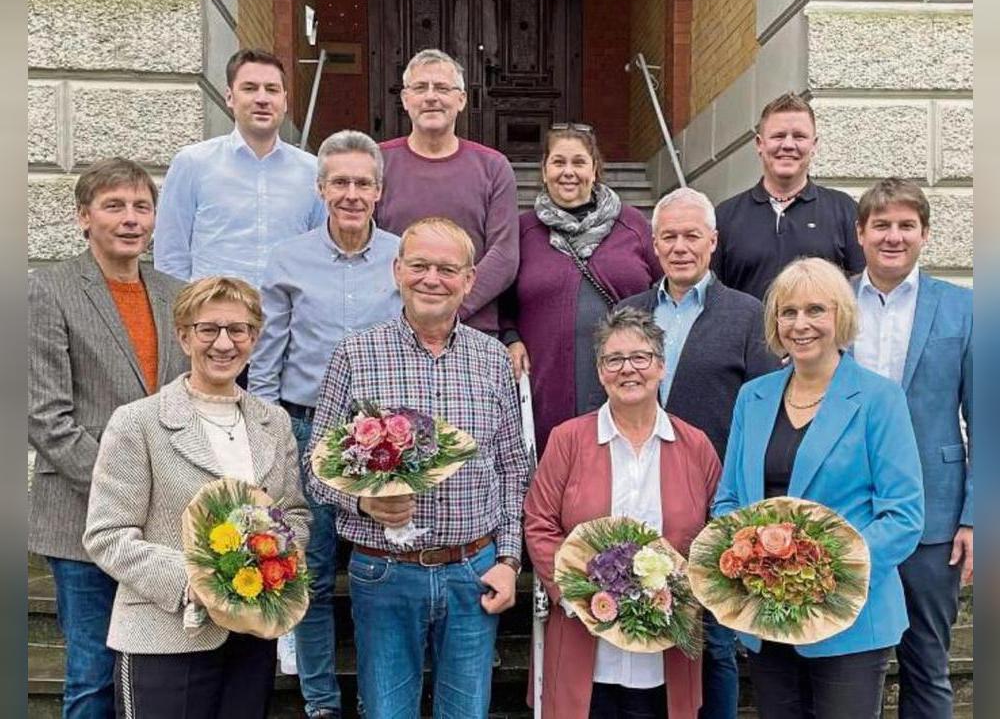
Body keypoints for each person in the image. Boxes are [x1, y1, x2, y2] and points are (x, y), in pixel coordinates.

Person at [304, 217, 532, 717]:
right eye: (420, 265)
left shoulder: (493, 358)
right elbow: (314, 465)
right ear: (397, 270)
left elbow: (515, 467)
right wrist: (362, 500)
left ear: (470, 280)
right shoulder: (356, 355)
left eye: (448, 269)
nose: (432, 279)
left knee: (466, 712)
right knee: (387, 712)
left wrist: (510, 560)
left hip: (474, 570)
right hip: (384, 571)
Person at [82, 276, 311, 719]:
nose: (223, 343)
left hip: (250, 636)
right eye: (209, 329)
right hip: (164, 634)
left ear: (254, 338)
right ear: (184, 336)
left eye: (238, 329)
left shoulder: (274, 422)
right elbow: (107, 535)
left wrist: (274, 565)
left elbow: (295, 516)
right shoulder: (138, 423)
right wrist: (199, 583)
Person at [713, 257, 924, 719]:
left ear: (840, 317)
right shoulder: (754, 397)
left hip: (849, 616)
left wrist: (826, 571)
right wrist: (753, 563)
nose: (800, 324)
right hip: (766, 613)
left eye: (815, 311)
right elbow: (728, 500)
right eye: (788, 313)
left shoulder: (879, 398)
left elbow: (904, 515)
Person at [248, 129, 401, 719]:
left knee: (373, 568)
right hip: (306, 428)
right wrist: (270, 436)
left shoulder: (399, 256)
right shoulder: (289, 259)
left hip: (383, 440)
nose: (352, 193)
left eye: (363, 182)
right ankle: (320, 702)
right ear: (321, 189)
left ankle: (376, 696)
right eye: (340, 182)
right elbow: (267, 360)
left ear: (380, 190)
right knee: (308, 572)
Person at [28, 157, 188, 719]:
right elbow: (46, 416)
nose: (130, 219)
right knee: (92, 680)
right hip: (81, 519)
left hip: (163, 527)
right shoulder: (47, 290)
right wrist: (125, 489)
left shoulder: (175, 294)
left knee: (151, 680)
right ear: (83, 217)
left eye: (141, 207)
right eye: (114, 206)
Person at [617, 186, 780, 719]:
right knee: (643, 625)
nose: (680, 246)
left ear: (713, 242)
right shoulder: (629, 312)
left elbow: (764, 409)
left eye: (692, 235)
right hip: (636, 491)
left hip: (712, 500)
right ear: (653, 244)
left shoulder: (747, 314)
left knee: (712, 639)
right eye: (669, 236)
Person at [523, 308, 721, 718]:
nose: (628, 369)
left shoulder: (696, 445)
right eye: (614, 359)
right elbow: (539, 523)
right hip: (584, 643)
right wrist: (576, 596)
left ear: (661, 366)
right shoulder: (568, 440)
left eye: (641, 357)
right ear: (600, 371)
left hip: (667, 650)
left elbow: (714, 534)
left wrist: (685, 592)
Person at [851, 178, 972, 719]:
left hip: (934, 516)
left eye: (905, 226)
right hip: (848, 510)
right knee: (849, 664)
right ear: (861, 234)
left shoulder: (965, 309)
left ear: (925, 234)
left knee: (926, 662)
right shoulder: (832, 305)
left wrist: (975, 518)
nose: (893, 236)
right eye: (882, 225)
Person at [500, 123, 660, 454]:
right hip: (548, 384)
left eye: (578, 162)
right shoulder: (522, 230)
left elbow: (666, 291)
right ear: (544, 171)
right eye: (558, 163)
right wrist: (511, 338)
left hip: (625, 380)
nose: (568, 172)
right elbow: (501, 299)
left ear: (595, 169)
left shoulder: (633, 226)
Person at [153, 48, 325, 288]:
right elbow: (170, 256)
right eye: (250, 88)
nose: (262, 99)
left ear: (285, 101)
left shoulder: (313, 171)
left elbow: (321, 255)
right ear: (229, 97)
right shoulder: (193, 163)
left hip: (287, 319)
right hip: (213, 318)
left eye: (272, 89)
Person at [375, 48, 518, 335]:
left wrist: (449, 311)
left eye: (442, 88)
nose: (431, 97)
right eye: (420, 88)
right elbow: (367, 248)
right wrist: (411, 315)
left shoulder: (493, 167)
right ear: (405, 99)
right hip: (391, 330)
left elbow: (504, 255)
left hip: (474, 333)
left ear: (461, 99)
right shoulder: (377, 163)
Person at [712, 93, 865, 301]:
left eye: (799, 136)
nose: (788, 145)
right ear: (759, 144)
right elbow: (713, 299)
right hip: (750, 335)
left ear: (814, 145)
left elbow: (862, 292)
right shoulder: (725, 216)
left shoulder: (844, 210)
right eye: (778, 136)